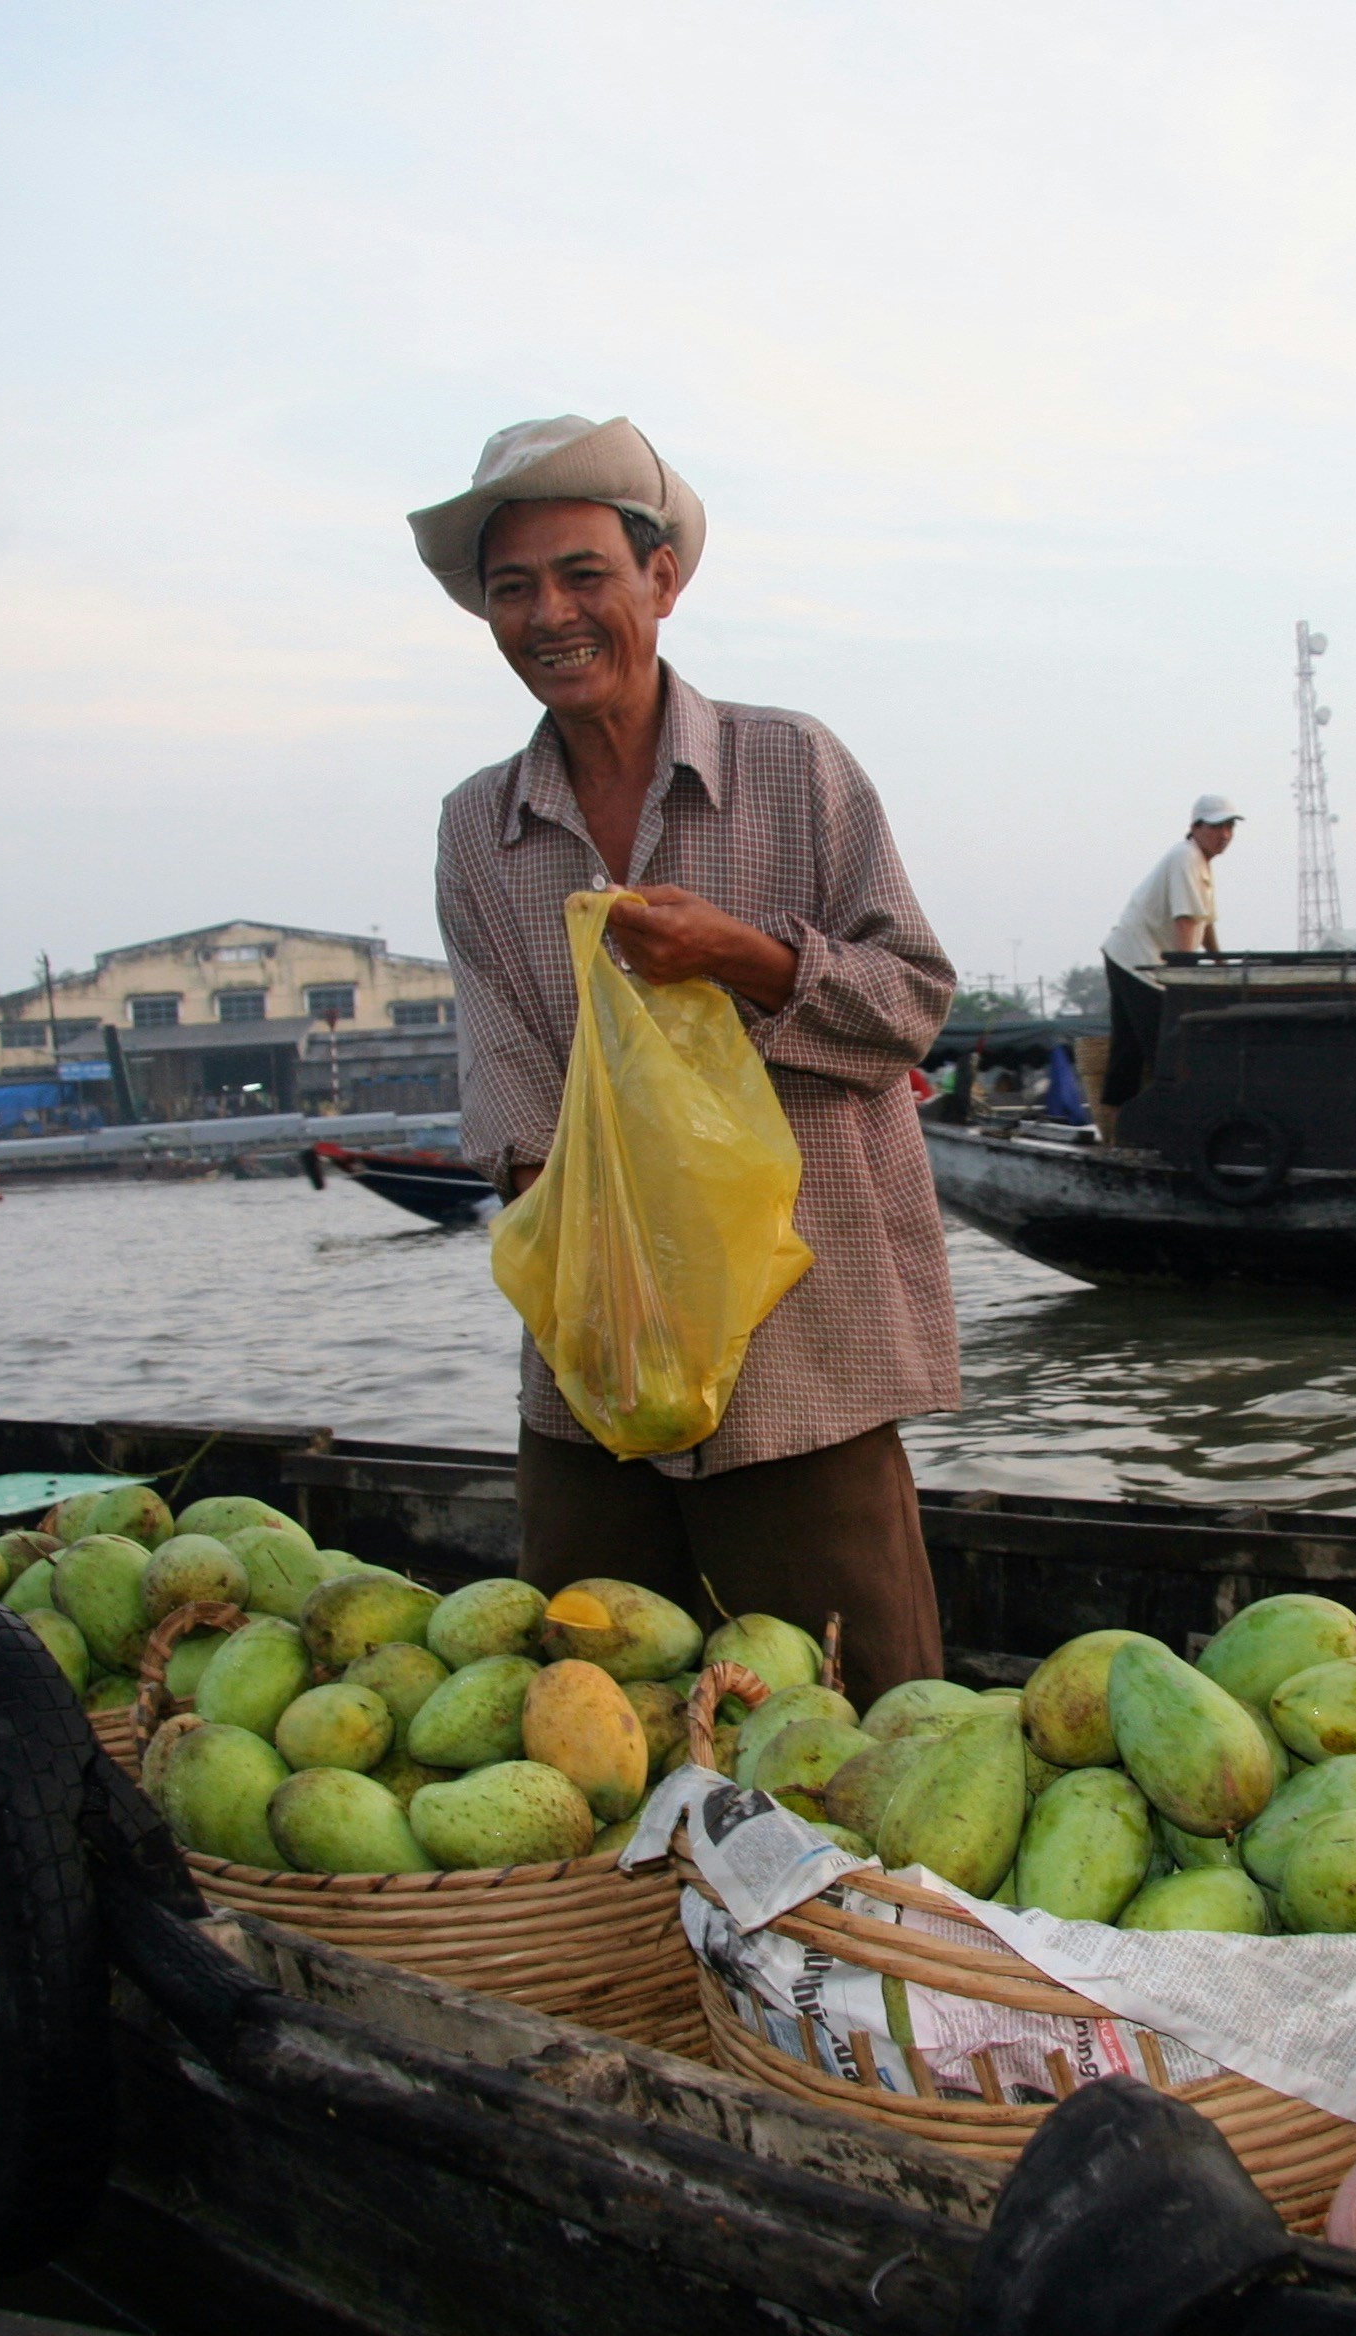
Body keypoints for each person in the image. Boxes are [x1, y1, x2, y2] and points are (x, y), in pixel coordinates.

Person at [418, 415, 958, 1704]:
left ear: (662, 581)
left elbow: (913, 1002)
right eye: (513, 588)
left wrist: (749, 957)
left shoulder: (794, 768)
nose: (550, 612)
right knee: (595, 1729)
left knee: (861, 1723)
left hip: (804, 1369)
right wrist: (621, 1290)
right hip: (593, 1385)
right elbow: (505, 1084)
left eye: (583, 574)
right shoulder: (478, 832)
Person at [1099, 794, 1242, 1107]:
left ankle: (1117, 1124)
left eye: (1230, 827)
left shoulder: (1199, 862)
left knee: (1129, 1048)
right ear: (1195, 827)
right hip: (1139, 960)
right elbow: (1186, 921)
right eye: (1217, 827)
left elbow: (1205, 923)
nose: (1225, 835)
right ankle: (1166, 1120)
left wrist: (1219, 964)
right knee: (1165, 1047)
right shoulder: (1186, 857)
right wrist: (1185, 979)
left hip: (1130, 957)